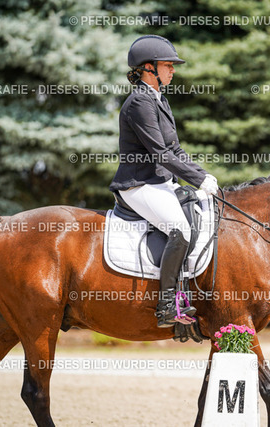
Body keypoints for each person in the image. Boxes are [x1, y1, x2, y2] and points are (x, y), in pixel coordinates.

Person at [109, 35, 218, 328]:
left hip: (160, 182)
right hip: (139, 184)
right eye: (168, 65)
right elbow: (160, 153)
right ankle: (167, 305)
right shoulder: (139, 103)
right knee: (180, 230)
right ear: (149, 68)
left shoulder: (160, 101)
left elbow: (176, 150)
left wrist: (204, 176)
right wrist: (197, 179)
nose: (173, 70)